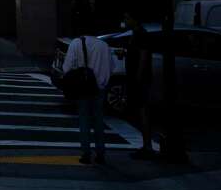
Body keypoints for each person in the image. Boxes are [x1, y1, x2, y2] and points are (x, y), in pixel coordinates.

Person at [63, 24, 115, 164]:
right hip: (99, 87)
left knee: (84, 120)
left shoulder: (76, 43)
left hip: (82, 87)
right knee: (98, 120)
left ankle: (86, 153)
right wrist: (102, 82)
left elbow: (67, 67)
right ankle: (100, 153)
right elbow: (111, 67)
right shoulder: (104, 46)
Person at [123, 12, 156, 160]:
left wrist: (138, 76)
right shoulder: (136, 34)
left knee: (143, 111)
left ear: (134, 19)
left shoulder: (141, 34)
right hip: (137, 78)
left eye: (127, 18)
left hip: (140, 80)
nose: (125, 20)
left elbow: (143, 56)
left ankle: (148, 146)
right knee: (140, 111)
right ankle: (146, 146)